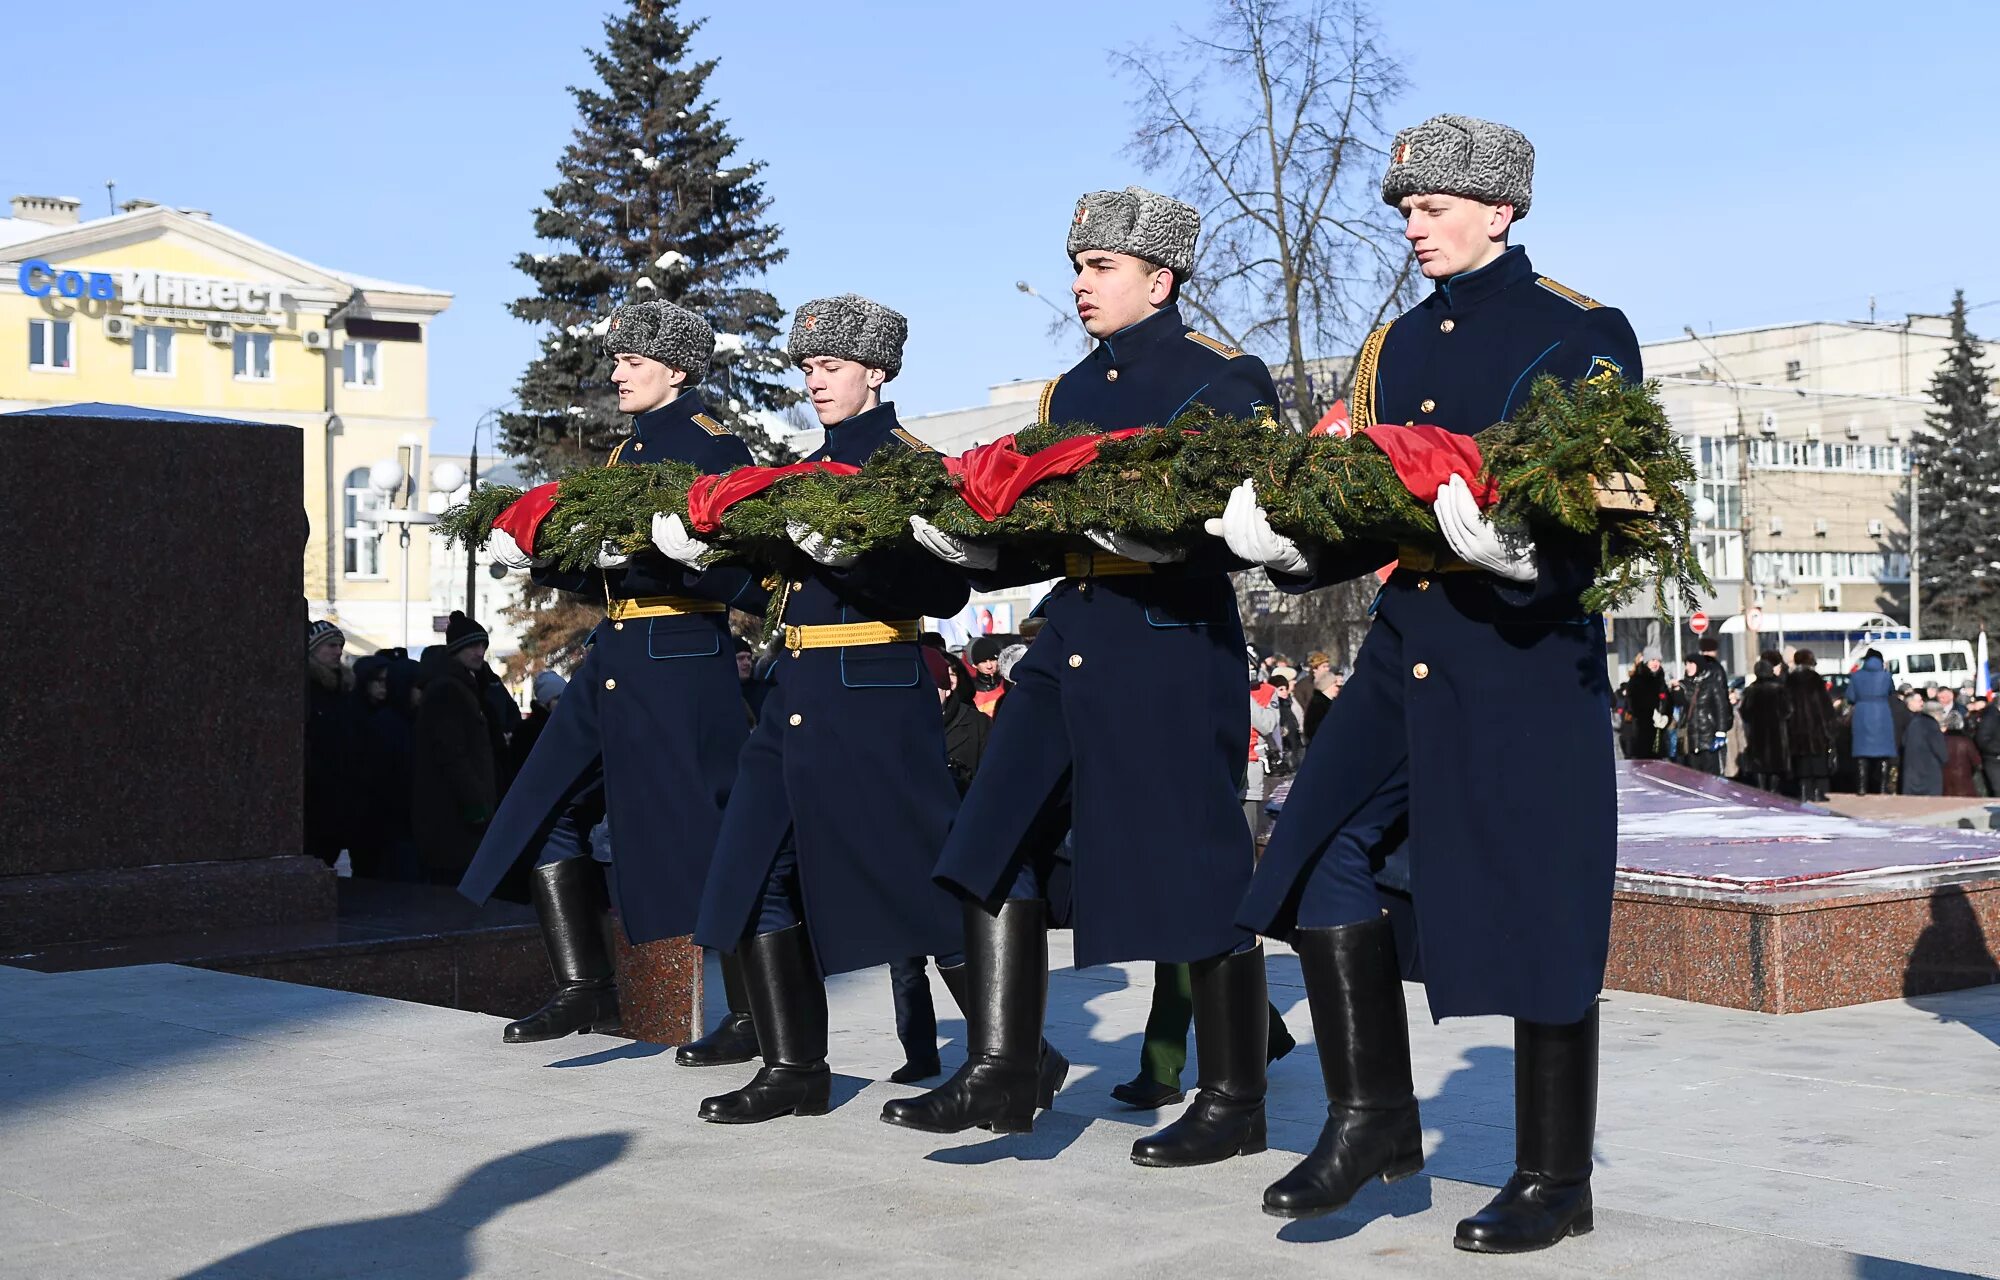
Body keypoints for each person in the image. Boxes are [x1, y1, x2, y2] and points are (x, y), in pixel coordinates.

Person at [1210, 115, 1644, 1251]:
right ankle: (1372, 1118)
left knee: (1540, 902)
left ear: (1498, 211)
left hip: (1522, 649)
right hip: (1408, 639)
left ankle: (1554, 1175)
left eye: (1433, 206)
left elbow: (1608, 499)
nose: (1411, 225)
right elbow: (1375, 503)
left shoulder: (1579, 331)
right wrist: (1299, 551)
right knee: (1314, 851)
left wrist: (1527, 559)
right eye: (1404, 207)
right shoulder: (1390, 348)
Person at [896, 185, 1282, 1168]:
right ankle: (1005, 1062)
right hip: (1070, 630)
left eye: (1100, 267)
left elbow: (1243, 519)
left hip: (1166, 637)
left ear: (1158, 277)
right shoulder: (1064, 394)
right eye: (1076, 266)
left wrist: (1155, 534)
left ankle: (1236, 1096)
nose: (1080, 284)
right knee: (983, 839)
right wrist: (974, 551)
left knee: (1195, 866)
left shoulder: (1224, 380)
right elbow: (1047, 527)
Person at [686, 294, 972, 1125]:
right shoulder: (804, 470)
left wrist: (858, 562)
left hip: (874, 688)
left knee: (921, 885)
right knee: (749, 877)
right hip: (796, 693)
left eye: (831, 366)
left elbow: (946, 588)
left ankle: (1014, 1050)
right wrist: (703, 562)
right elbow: (779, 591)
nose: (815, 380)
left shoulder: (909, 464)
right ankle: (795, 1069)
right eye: (808, 367)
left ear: (876, 373)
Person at [457, 300, 767, 1056]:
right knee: (539, 809)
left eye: (633, 359)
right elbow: (610, 577)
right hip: (616, 657)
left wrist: (674, 559)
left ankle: (757, 1018)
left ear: (678, 369)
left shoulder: (715, 449)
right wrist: (541, 559)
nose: (617, 371)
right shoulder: (626, 455)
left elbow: (755, 579)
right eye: (618, 357)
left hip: (680, 665)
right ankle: (582, 987)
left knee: (708, 841)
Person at [888, 647, 994, 1085]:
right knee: (904, 966)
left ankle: (994, 1049)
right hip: (899, 859)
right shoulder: (893, 732)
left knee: (958, 956)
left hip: (952, 858)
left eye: (934, 686)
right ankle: (919, 1053)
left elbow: (992, 790)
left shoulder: (976, 726)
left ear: (949, 684)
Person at [412, 613, 500, 885]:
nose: (480, 652)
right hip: (452, 813)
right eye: (472, 646)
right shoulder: (447, 690)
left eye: (483, 645)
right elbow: (452, 754)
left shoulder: (465, 686)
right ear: (456, 649)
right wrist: (475, 804)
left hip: (460, 810)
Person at [304, 619, 360, 868]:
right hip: (317, 791)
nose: (338, 651)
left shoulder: (344, 688)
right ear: (312, 649)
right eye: (331, 645)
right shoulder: (307, 689)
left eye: (340, 645)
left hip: (341, 788)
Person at [1783, 650, 1837, 803]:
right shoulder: (1815, 679)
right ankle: (1818, 792)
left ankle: (1803, 791)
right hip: (1815, 727)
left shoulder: (1791, 679)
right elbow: (1824, 705)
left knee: (1801, 761)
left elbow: (1787, 704)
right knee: (1818, 760)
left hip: (1797, 727)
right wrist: (1829, 723)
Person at [1737, 660, 1792, 794]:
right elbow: (1788, 711)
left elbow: (1744, 712)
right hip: (1776, 733)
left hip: (1757, 734)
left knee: (1759, 765)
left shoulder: (1751, 690)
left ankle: (1761, 791)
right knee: (1775, 764)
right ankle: (1774, 790)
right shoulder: (1779, 689)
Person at [1849, 650, 1898, 795]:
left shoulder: (1856, 676)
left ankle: (1862, 788)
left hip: (1862, 715)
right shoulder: (1886, 676)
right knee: (1884, 754)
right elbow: (1891, 692)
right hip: (1882, 714)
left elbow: (1850, 697)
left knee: (1862, 754)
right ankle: (1882, 788)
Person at [1675, 648, 1731, 776]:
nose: (1687, 667)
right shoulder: (1685, 685)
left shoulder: (1711, 684)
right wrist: (1676, 691)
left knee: (1710, 776)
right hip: (1691, 738)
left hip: (1708, 737)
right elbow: (1679, 704)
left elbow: (1721, 708)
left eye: (1691, 664)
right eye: (1686, 664)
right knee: (1693, 777)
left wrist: (1721, 731)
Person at [1623, 651, 1670, 760]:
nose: (1656, 663)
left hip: (1660, 729)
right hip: (1642, 730)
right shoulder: (1636, 681)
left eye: (1658, 661)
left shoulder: (1661, 679)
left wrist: (1666, 716)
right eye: (1653, 660)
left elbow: (1667, 701)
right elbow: (1632, 704)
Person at [1902, 697, 1948, 796]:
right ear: (1936, 713)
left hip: (1911, 770)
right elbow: (1940, 750)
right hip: (1929, 771)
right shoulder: (1932, 725)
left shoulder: (1913, 722)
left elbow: (1904, 742)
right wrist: (1945, 760)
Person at [966, 636, 1008, 717]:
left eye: (992, 660)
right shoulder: (968, 690)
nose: (989, 666)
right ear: (974, 665)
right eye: (983, 662)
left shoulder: (1008, 685)